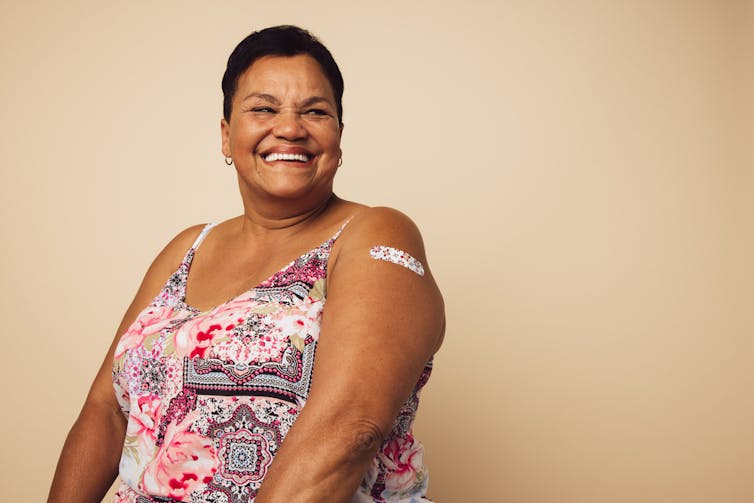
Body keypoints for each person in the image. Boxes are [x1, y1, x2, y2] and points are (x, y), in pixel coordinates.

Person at [48, 25, 444, 503]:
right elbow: (106, 411)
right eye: (263, 108)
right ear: (226, 133)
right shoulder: (188, 247)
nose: (291, 127)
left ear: (339, 135)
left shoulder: (375, 234)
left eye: (315, 111)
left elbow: (350, 430)